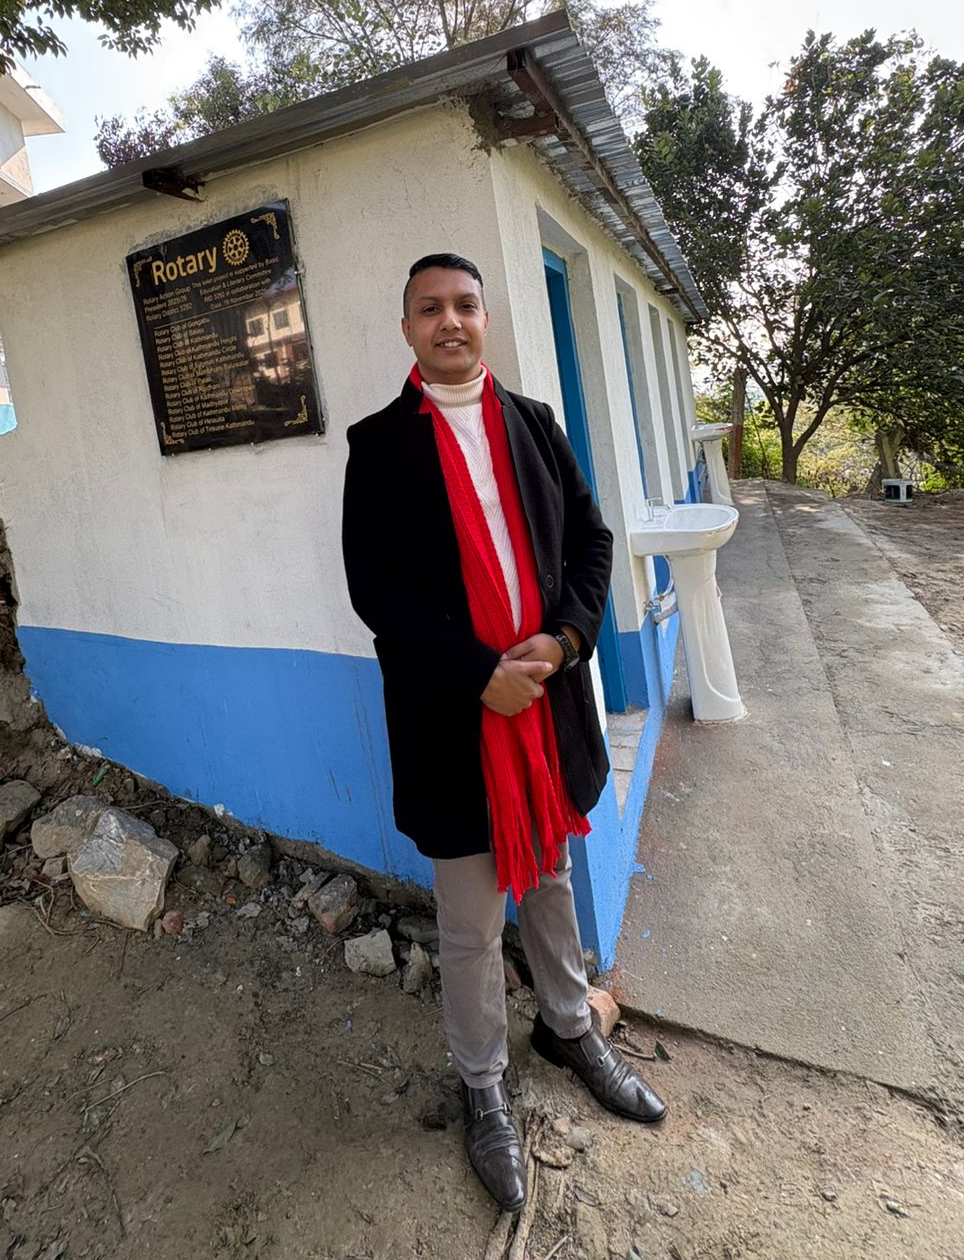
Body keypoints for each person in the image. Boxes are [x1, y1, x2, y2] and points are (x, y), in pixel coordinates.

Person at [341, 253, 666, 1213]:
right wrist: (480, 675)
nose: (450, 322)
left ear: (487, 319)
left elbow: (593, 541)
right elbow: (379, 594)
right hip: (457, 720)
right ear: (407, 329)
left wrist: (565, 643)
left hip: (546, 706)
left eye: (466, 305)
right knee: (474, 922)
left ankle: (568, 1026)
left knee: (556, 878)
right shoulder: (380, 445)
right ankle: (482, 1085)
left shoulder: (535, 426)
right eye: (430, 309)